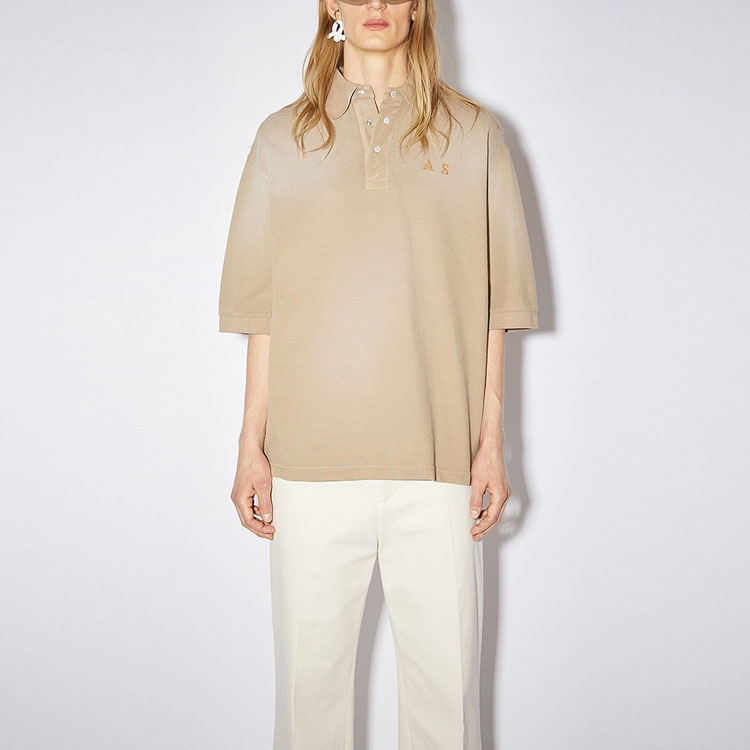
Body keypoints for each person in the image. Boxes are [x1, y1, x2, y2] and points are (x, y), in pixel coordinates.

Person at [217, 1, 538, 747]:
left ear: (419, 6)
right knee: (309, 706)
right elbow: (263, 311)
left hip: (439, 465)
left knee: (445, 708)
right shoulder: (281, 138)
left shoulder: (476, 134)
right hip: (309, 467)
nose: (375, 4)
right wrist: (250, 446)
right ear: (330, 5)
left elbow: (498, 307)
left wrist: (491, 444)